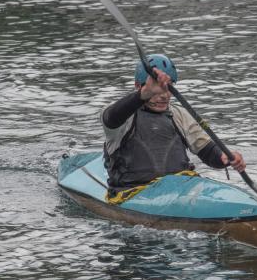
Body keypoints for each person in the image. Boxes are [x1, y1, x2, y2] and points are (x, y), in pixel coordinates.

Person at [101, 54, 246, 200]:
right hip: (135, 194)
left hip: (181, 191)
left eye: (168, 88)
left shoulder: (179, 114)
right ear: (138, 86)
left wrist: (224, 157)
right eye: (157, 90)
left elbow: (207, 151)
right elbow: (110, 118)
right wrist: (145, 94)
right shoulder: (123, 116)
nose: (164, 95)